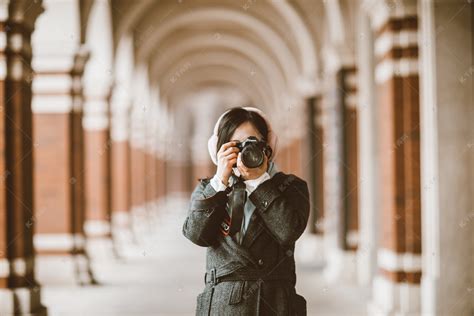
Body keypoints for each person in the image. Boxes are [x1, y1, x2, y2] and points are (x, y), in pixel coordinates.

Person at [182, 106, 310, 315]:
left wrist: (260, 182)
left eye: (252, 143)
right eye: (236, 146)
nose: (245, 152)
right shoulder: (209, 190)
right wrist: (219, 182)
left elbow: (288, 231)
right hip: (222, 306)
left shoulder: (291, 186)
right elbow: (197, 235)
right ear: (220, 150)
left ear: (268, 146)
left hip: (275, 304)